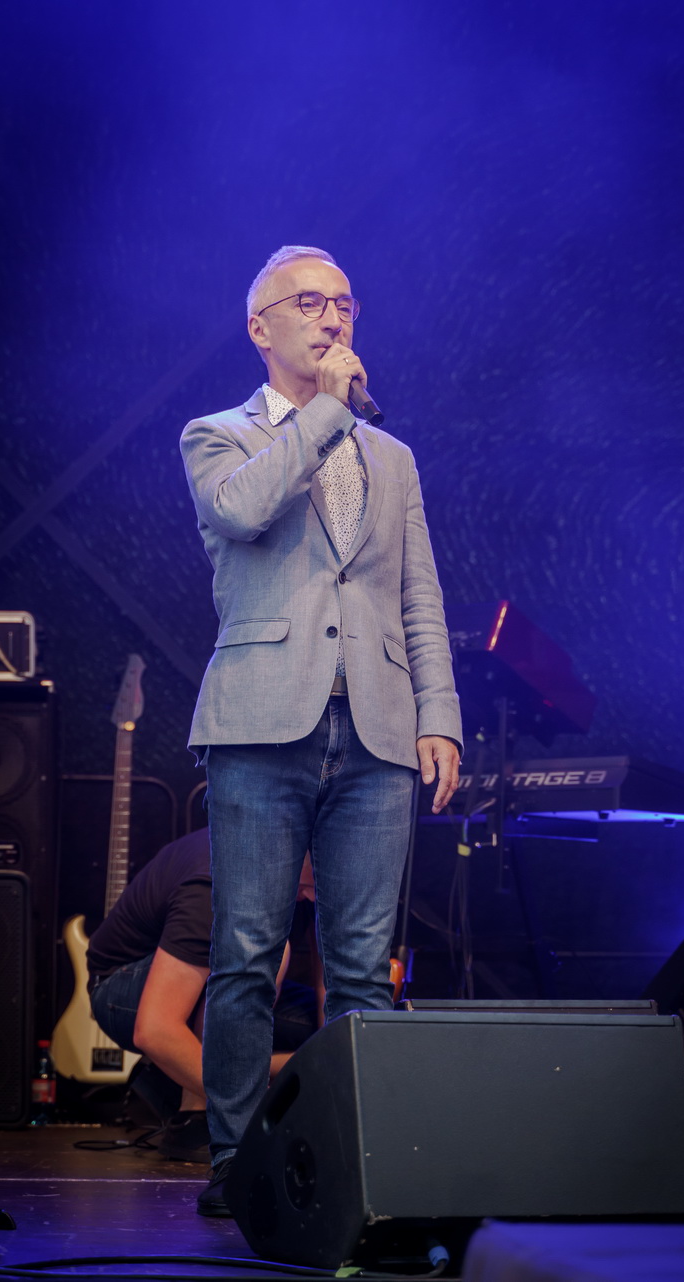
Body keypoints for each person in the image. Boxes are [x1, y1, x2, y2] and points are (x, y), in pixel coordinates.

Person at [180, 245, 463, 1215]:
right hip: (261, 725)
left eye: (345, 303)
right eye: (309, 302)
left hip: (378, 731)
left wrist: (439, 716)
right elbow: (245, 513)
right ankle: (234, 1161)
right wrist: (326, 412)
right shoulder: (216, 436)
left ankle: (356, 1163)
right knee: (246, 954)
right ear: (259, 327)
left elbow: (418, 597)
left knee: (361, 967)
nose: (333, 317)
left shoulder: (395, 459)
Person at [87, 828, 319, 1161]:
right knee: (269, 951)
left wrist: (338, 1065)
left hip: (197, 987)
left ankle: (190, 1071)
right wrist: (256, 1108)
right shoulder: (215, 881)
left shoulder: (306, 880)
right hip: (122, 991)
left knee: (331, 1036)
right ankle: (194, 1116)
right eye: (308, 884)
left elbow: (329, 990)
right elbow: (154, 1029)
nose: (312, 896)